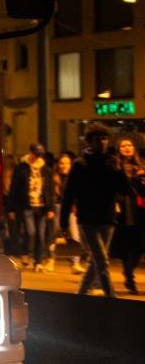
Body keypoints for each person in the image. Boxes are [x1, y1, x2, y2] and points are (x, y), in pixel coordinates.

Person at [59, 125, 128, 298]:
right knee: (102, 261)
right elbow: (69, 194)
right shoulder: (80, 164)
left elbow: (125, 190)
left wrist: (119, 170)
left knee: (96, 261)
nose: (102, 142)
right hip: (87, 218)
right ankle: (111, 297)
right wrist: (63, 222)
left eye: (104, 138)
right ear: (89, 142)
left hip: (108, 218)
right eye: (97, 139)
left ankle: (80, 295)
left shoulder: (112, 161)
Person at [7, 143, 53, 271]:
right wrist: (11, 208)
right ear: (30, 152)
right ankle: (25, 253)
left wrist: (50, 208)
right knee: (30, 231)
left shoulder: (45, 169)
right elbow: (14, 188)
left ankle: (38, 261)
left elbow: (50, 189)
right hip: (27, 205)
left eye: (39, 155)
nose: (37, 157)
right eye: (35, 154)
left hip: (42, 206)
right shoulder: (21, 167)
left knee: (40, 234)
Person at [115, 136, 143, 295]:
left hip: (140, 208)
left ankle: (128, 271)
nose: (127, 148)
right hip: (124, 208)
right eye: (123, 146)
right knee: (127, 244)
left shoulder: (140, 165)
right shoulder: (116, 166)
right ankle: (130, 278)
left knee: (140, 245)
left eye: (130, 145)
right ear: (118, 149)